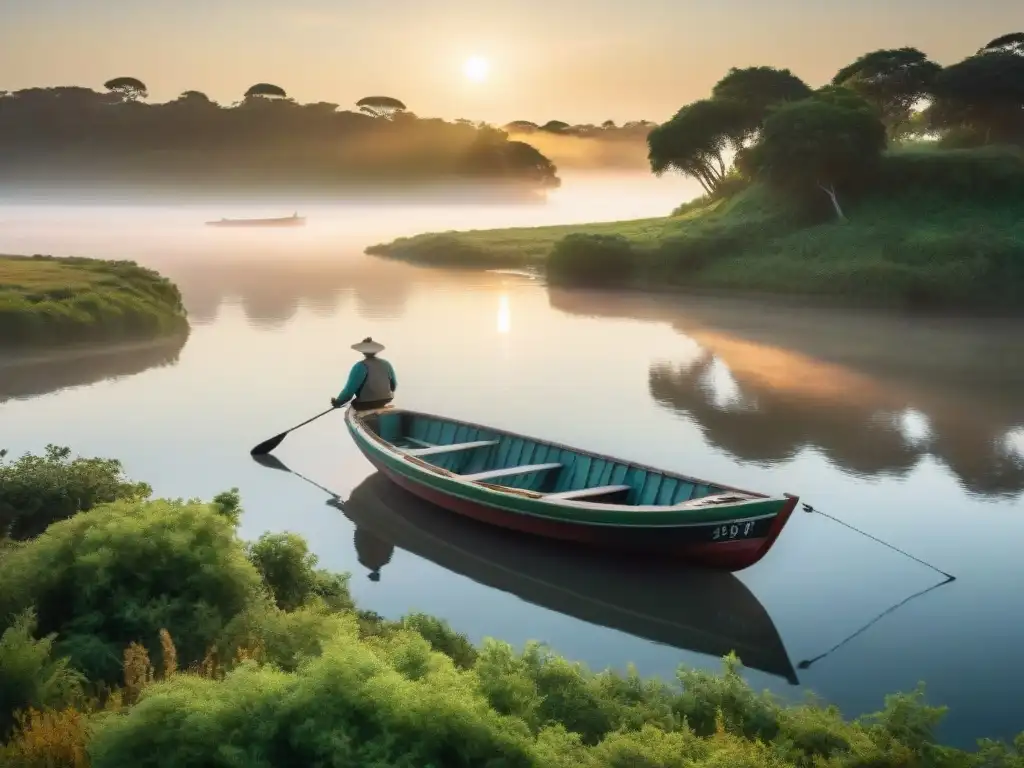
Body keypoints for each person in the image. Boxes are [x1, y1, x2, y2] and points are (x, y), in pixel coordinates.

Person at [330, 337, 396, 411]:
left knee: (353, 404)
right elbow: (393, 386)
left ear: (363, 351)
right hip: (385, 399)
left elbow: (349, 391)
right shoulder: (386, 364)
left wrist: (338, 402)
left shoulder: (360, 366)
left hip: (366, 403)